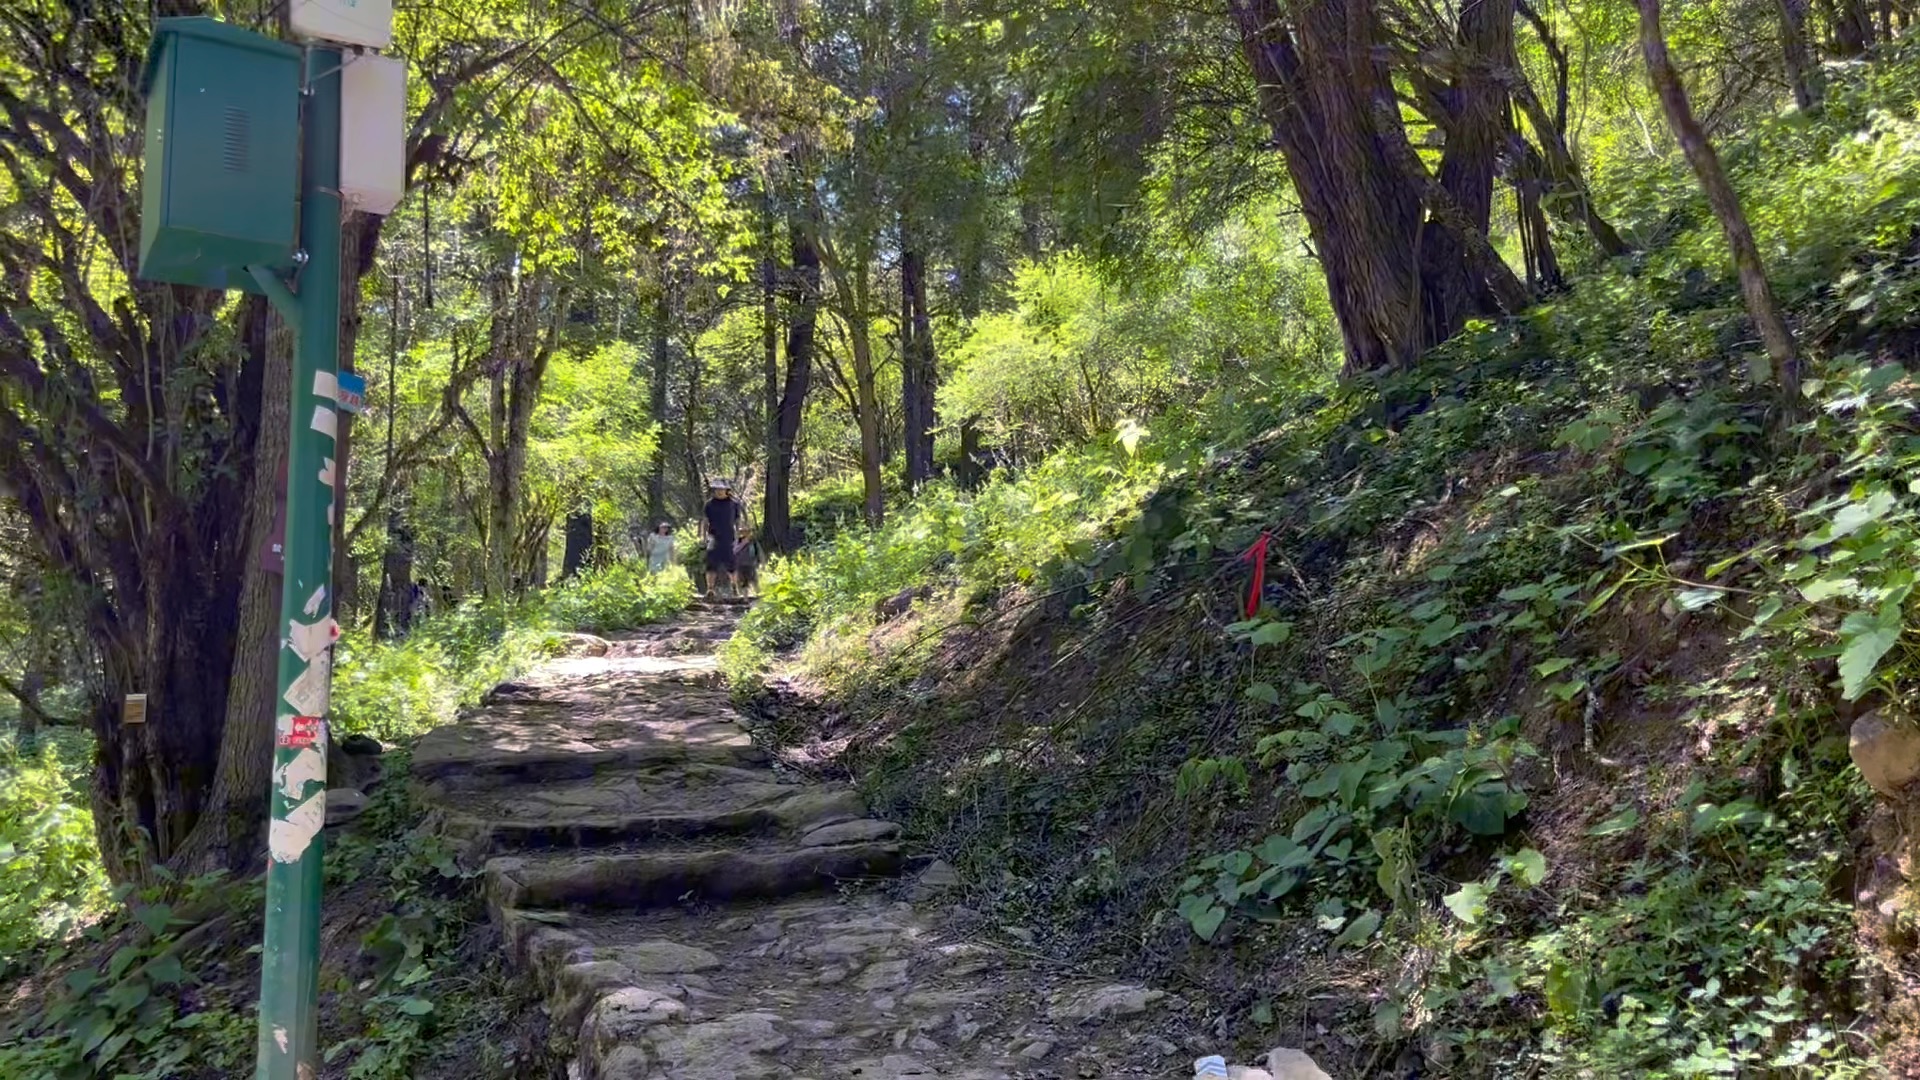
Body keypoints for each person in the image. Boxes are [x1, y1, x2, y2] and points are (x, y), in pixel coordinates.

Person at [699, 479, 744, 597]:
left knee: (732, 564)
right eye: (717, 489)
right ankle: (710, 589)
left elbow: (738, 521)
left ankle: (734, 588)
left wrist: (738, 536)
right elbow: (705, 521)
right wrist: (703, 537)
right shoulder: (709, 504)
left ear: (726, 490)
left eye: (721, 489)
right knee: (711, 564)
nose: (719, 491)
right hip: (713, 537)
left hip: (729, 538)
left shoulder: (734, 504)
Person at [734, 528, 763, 597]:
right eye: (742, 532)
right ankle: (744, 597)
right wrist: (743, 543)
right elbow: (734, 551)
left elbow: (760, 553)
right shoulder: (737, 542)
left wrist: (762, 562)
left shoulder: (754, 543)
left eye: (747, 532)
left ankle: (759, 595)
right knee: (742, 582)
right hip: (740, 565)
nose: (744, 534)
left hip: (751, 565)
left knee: (755, 581)